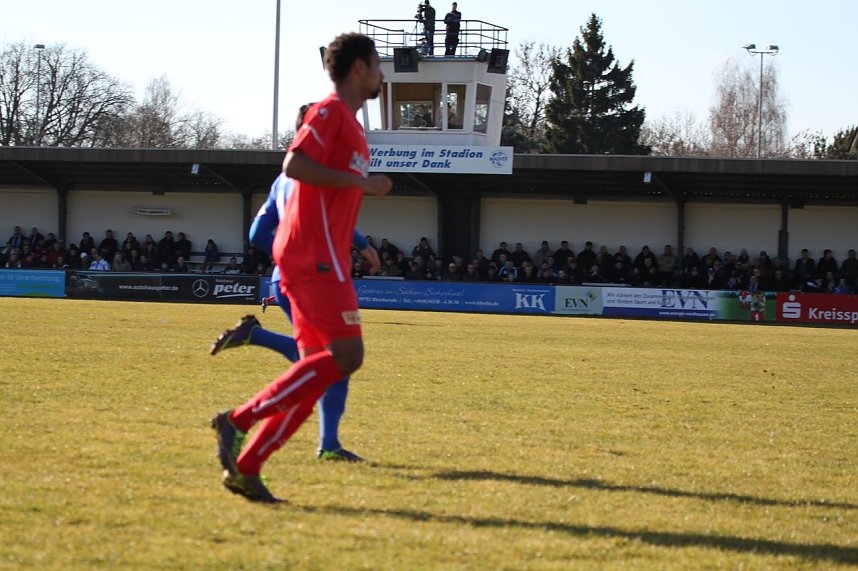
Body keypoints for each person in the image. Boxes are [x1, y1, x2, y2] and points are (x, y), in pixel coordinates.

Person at [210, 32, 392, 503]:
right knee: (347, 358)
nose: (381, 74)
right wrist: (363, 184)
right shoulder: (329, 111)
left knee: (320, 369)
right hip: (314, 257)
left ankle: (247, 469)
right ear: (357, 68)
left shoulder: (351, 126)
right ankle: (237, 421)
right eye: (377, 65)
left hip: (323, 255)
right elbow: (295, 165)